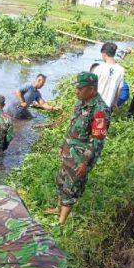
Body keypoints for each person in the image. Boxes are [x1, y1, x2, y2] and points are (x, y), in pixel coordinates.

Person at [47, 71, 110, 225]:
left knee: (72, 185)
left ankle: (61, 222)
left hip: (81, 156)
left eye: (80, 89)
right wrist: (63, 146)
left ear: (92, 90)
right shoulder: (80, 102)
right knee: (61, 180)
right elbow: (72, 127)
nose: (77, 91)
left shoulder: (100, 110)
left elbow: (97, 140)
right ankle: (58, 208)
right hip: (69, 150)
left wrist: (84, 162)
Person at [94, 42, 126, 111]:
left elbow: (92, 86)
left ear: (104, 54)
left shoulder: (99, 68)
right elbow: (119, 89)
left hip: (95, 104)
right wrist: (115, 103)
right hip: (108, 105)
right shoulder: (121, 70)